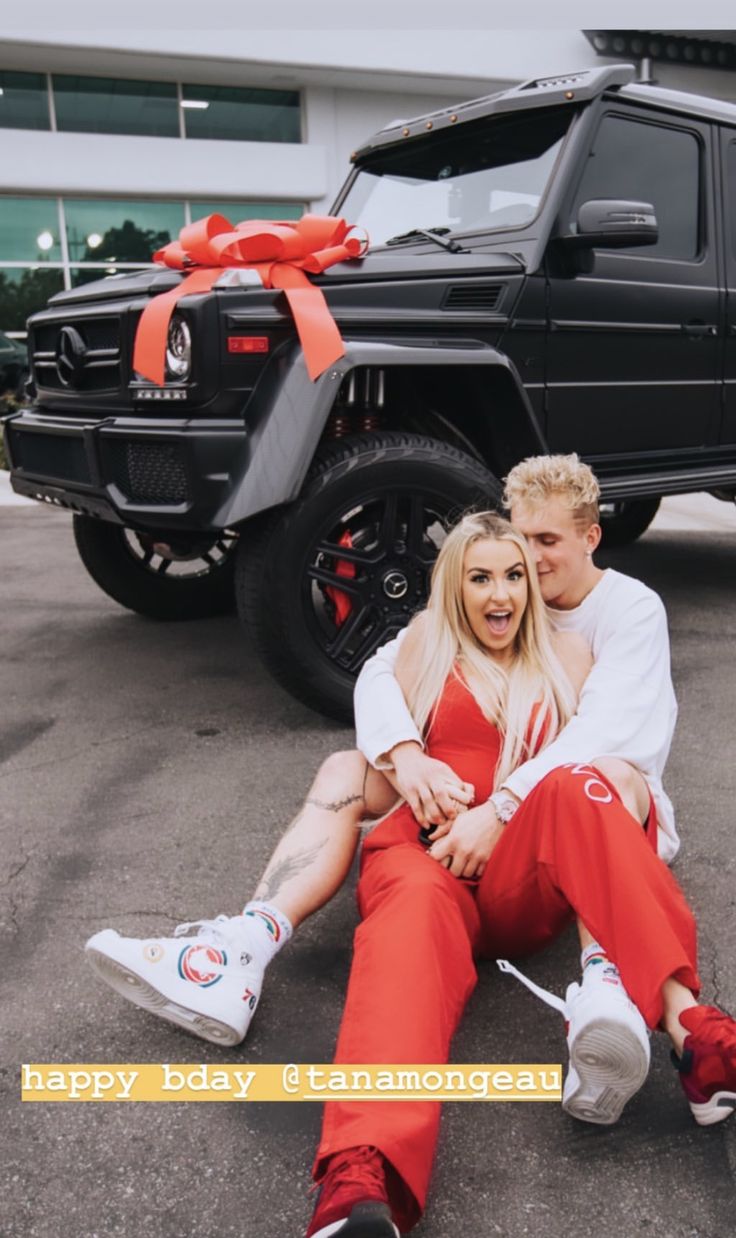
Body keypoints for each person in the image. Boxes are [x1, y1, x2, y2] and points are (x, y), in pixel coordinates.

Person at [83, 458, 689, 1122]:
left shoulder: (619, 616)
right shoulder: (471, 615)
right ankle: (240, 950)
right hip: (463, 820)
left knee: (599, 777)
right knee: (345, 771)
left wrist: (500, 809)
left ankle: (607, 979)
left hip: (584, 819)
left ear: (590, 539)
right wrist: (409, 762)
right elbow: (380, 670)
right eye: (516, 546)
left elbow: (606, 732)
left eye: (542, 547)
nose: (525, 566)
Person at [297, 511, 730, 1238]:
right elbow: (372, 694)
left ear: (531, 586)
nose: (499, 593)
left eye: (513, 576)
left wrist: (501, 808)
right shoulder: (422, 649)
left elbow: (605, 746)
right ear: (455, 586)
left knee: (581, 783)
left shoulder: (569, 659)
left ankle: (693, 1031)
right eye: (479, 577)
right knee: (404, 929)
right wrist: (408, 757)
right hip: (425, 859)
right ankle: (364, 1174)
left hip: (517, 876)